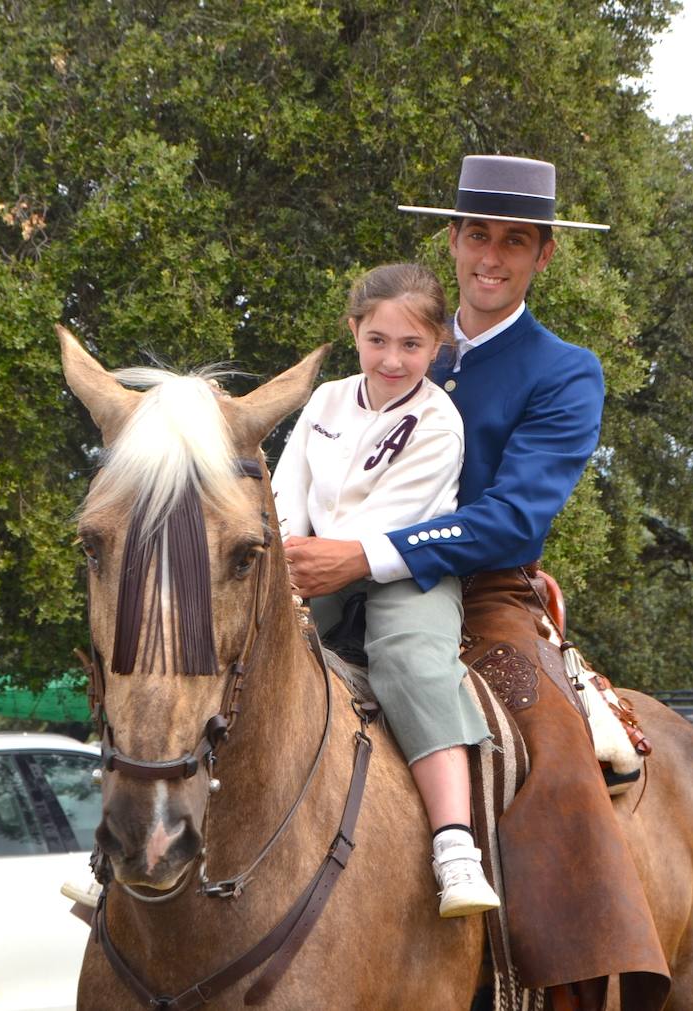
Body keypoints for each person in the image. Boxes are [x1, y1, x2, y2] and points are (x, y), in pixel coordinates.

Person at [284, 156, 670, 1010]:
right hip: (327, 572)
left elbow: (513, 521)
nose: (492, 256)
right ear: (453, 241)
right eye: (479, 236)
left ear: (544, 257)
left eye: (516, 241)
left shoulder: (564, 369)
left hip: (486, 594)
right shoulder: (396, 338)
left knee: (554, 760)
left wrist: (361, 557)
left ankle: (569, 986)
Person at [271, 262, 500, 919]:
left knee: (411, 660)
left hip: (402, 570)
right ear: (353, 332)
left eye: (411, 345)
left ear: (437, 346)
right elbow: (287, 490)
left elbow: (389, 525)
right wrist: (279, 565)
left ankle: (455, 845)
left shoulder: (439, 421)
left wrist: (320, 563)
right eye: (378, 340)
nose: (393, 359)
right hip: (310, 560)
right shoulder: (325, 403)